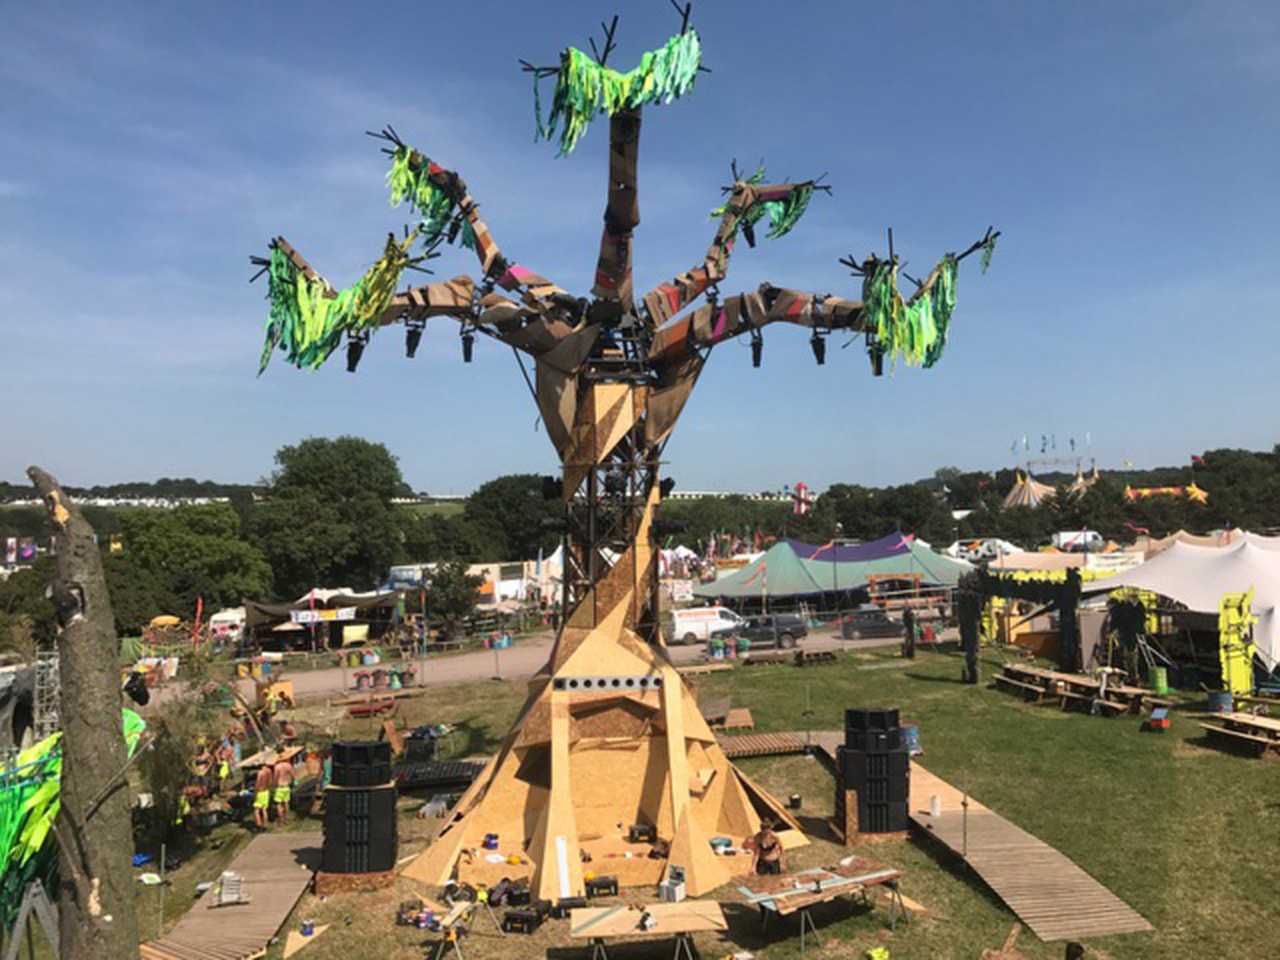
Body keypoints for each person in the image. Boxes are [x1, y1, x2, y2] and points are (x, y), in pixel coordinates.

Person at [272, 756, 294, 825]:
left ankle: (281, 820)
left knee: (279, 804)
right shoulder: (288, 765)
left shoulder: (277, 767)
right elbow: (293, 776)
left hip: (279, 787)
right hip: (286, 786)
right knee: (286, 803)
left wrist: (274, 785)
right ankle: (286, 819)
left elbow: (275, 778)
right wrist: (292, 781)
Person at [253, 764, 273, 829]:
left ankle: (259, 825)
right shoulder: (269, 771)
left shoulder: (260, 772)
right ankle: (265, 824)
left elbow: (258, 783)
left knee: (256, 810)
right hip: (266, 791)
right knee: (264, 809)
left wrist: (255, 792)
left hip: (260, 792)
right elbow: (270, 781)